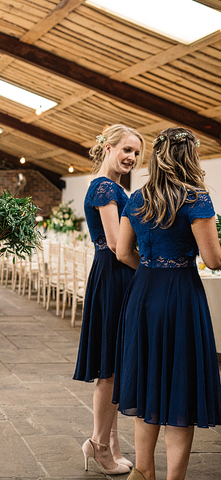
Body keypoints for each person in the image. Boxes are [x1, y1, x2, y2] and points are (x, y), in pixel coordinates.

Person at [114, 127, 221, 480]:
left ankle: (143, 471)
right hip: (181, 297)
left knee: (147, 382)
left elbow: (122, 251)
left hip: (143, 295)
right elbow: (213, 259)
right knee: (180, 389)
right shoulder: (196, 199)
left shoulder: (138, 198)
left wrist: (151, 268)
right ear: (190, 157)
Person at [73, 124, 144, 475]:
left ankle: (109, 444)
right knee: (110, 369)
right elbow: (118, 246)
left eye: (135, 153)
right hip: (115, 276)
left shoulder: (109, 186)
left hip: (110, 275)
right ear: (108, 148)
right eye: (126, 150)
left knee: (112, 366)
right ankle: (100, 445)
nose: (131, 157)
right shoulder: (105, 187)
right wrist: (147, 269)